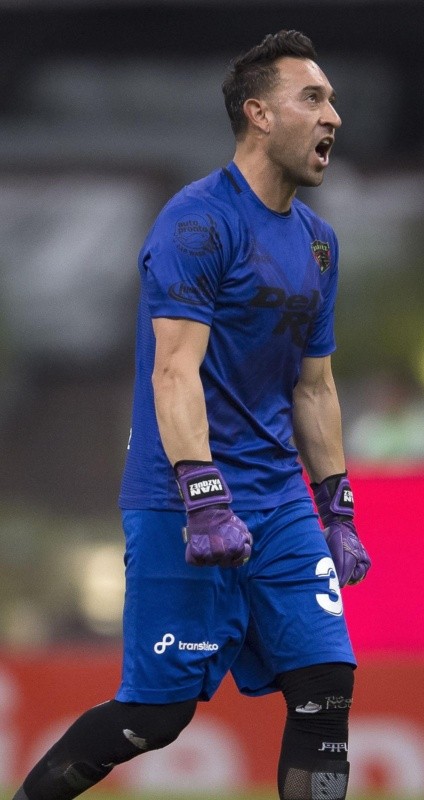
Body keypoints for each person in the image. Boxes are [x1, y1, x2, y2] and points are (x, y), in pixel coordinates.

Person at [13, 29, 370, 800]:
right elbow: (174, 372)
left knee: (326, 684)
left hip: (278, 502)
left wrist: (335, 504)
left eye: (333, 98)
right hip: (183, 500)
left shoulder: (319, 246)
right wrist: (203, 497)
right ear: (259, 114)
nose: (334, 115)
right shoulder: (197, 222)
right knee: (157, 714)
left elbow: (315, 389)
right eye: (313, 97)